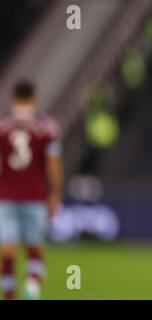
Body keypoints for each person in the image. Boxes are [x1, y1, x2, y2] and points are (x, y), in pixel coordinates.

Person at [0, 80, 63, 300]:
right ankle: (32, 288)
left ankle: (9, 296)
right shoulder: (47, 128)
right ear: (34, 98)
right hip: (35, 196)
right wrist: (55, 194)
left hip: (6, 196)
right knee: (35, 248)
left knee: (7, 252)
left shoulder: (3, 126)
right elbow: (53, 164)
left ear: (13, 97)